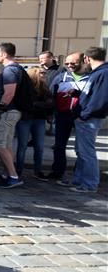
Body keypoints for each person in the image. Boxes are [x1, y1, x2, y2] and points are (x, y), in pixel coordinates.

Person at [67, 46, 107, 193]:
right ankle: (79, 181)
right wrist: (78, 94)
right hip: (86, 116)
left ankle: (89, 184)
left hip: (89, 118)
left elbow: (101, 100)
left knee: (87, 153)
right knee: (81, 151)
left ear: (87, 59)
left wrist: (84, 115)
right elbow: (92, 94)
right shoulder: (97, 73)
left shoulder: (103, 73)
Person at [47, 52, 89, 180]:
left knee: (81, 147)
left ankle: (79, 173)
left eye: (73, 63)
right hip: (62, 115)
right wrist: (50, 113)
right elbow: (51, 96)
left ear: (82, 62)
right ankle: (57, 171)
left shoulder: (91, 78)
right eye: (67, 63)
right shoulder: (61, 77)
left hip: (82, 116)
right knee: (59, 145)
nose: (69, 65)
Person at [0, 43, 25, 188]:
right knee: (6, 144)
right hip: (12, 111)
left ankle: (13, 176)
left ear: (4, 54)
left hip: (7, 112)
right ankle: (8, 173)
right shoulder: (16, 69)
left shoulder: (10, 71)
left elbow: (9, 93)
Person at [14, 67, 53, 180]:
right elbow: (27, 103)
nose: (44, 75)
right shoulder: (25, 88)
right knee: (22, 146)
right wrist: (41, 105)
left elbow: (50, 104)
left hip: (39, 119)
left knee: (39, 146)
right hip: (25, 118)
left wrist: (38, 105)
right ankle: (19, 169)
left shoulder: (45, 87)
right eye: (42, 73)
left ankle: (38, 170)